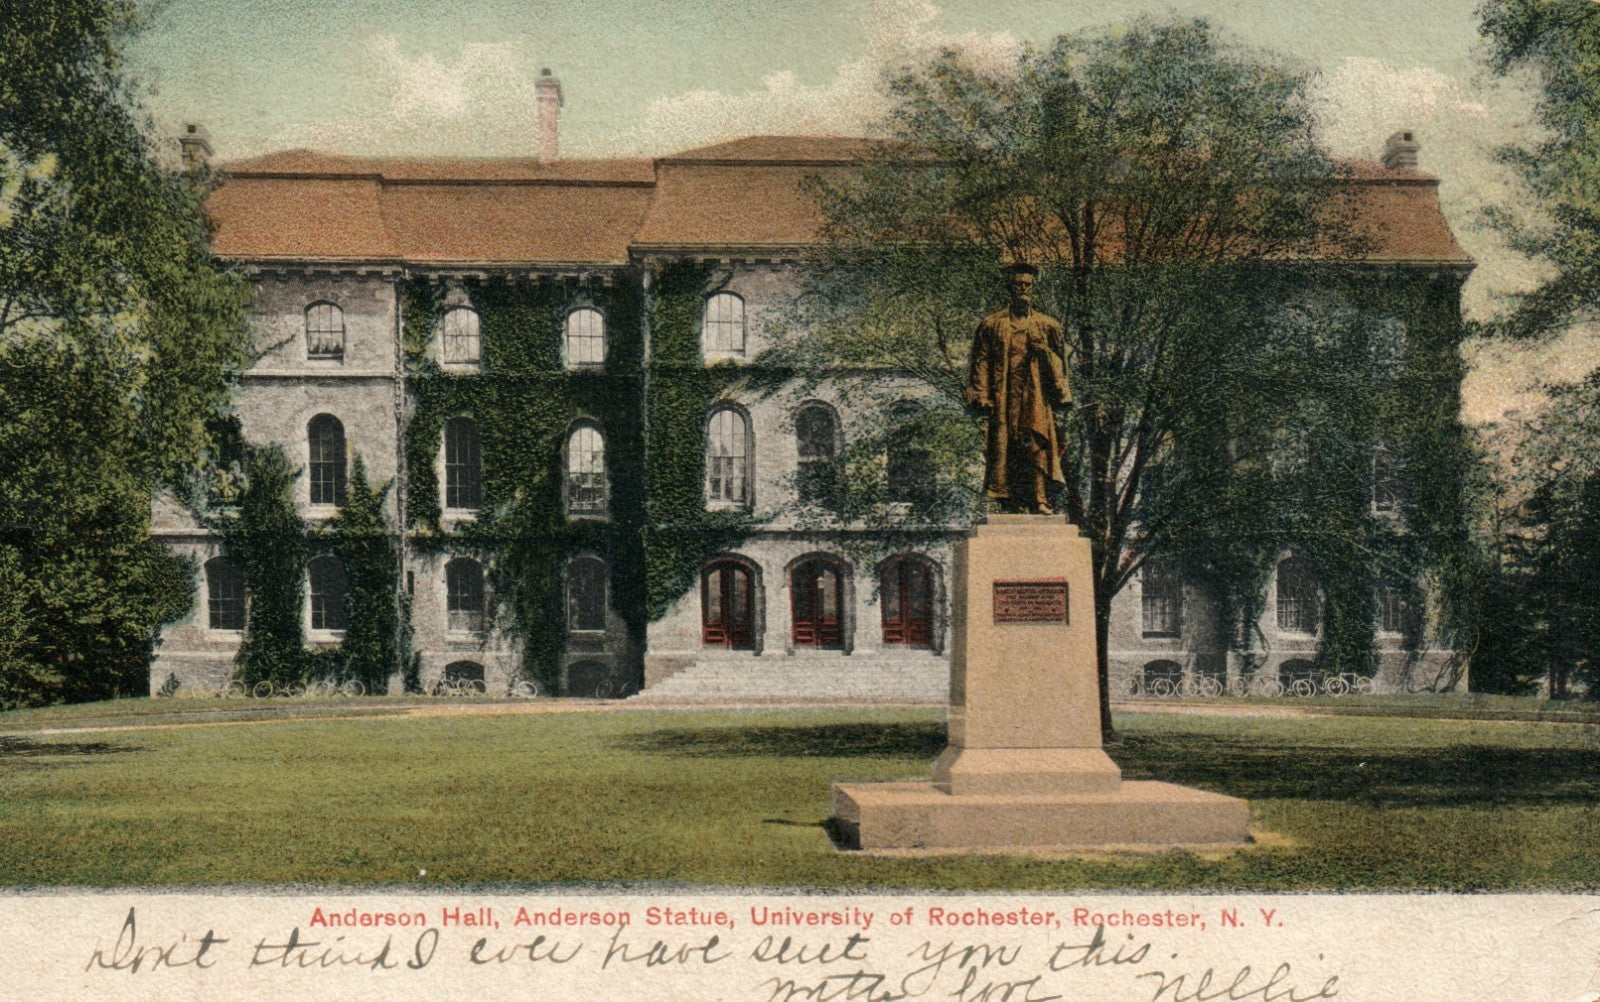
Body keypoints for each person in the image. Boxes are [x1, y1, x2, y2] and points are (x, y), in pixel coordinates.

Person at [963, 263, 1073, 514]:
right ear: (1009, 287)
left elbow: (1061, 363)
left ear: (1033, 287)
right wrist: (982, 394)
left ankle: (1040, 499)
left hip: (1035, 395)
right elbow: (981, 360)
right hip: (1004, 396)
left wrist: (1044, 352)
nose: (1022, 288)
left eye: (1027, 284)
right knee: (1005, 446)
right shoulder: (992, 324)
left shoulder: (1047, 325)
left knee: (1036, 442)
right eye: (1017, 284)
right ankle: (1006, 500)